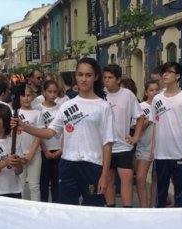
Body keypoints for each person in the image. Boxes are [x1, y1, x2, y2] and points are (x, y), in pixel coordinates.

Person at [16, 57, 113, 207]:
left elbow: (107, 143)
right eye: (80, 75)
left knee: (93, 209)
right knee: (66, 208)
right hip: (68, 164)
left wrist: (105, 175)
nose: (84, 79)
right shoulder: (67, 106)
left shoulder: (103, 107)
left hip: (93, 166)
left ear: (96, 77)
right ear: (75, 76)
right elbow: (50, 132)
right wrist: (25, 127)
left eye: (88, 75)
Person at [151, 62, 182, 208]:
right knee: (161, 192)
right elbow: (155, 125)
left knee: (180, 192)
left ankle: (180, 220)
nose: (165, 74)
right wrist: (153, 149)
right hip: (161, 154)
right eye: (163, 72)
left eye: (169, 72)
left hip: (179, 153)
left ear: (177, 76)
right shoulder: (157, 99)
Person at [102, 64, 144, 208]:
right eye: (105, 77)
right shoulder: (100, 94)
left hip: (123, 145)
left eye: (110, 78)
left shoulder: (128, 95)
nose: (107, 80)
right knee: (108, 178)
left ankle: (127, 209)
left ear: (118, 79)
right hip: (105, 146)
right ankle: (110, 208)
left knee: (126, 178)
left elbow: (140, 117)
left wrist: (136, 136)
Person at [135, 79, 160, 208]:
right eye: (151, 90)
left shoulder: (162, 106)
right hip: (144, 146)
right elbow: (137, 128)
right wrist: (149, 118)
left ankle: (152, 206)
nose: (154, 92)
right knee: (140, 178)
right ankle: (143, 206)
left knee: (156, 179)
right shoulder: (142, 107)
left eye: (157, 90)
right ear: (146, 92)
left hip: (159, 147)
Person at [15, 85, 42, 201]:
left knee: (34, 186)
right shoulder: (14, 112)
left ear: (33, 97)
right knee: (19, 186)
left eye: (28, 95)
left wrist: (31, 154)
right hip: (18, 155)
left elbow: (39, 134)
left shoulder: (37, 113)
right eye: (23, 95)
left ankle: (36, 213)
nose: (26, 98)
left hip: (34, 155)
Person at [38, 79, 63, 203]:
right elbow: (38, 132)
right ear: (44, 92)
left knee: (57, 182)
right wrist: (45, 150)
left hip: (59, 149)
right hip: (44, 150)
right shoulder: (38, 109)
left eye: (55, 92)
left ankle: (56, 206)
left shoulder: (62, 108)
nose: (52, 94)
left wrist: (61, 149)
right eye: (50, 91)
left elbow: (65, 131)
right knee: (43, 182)